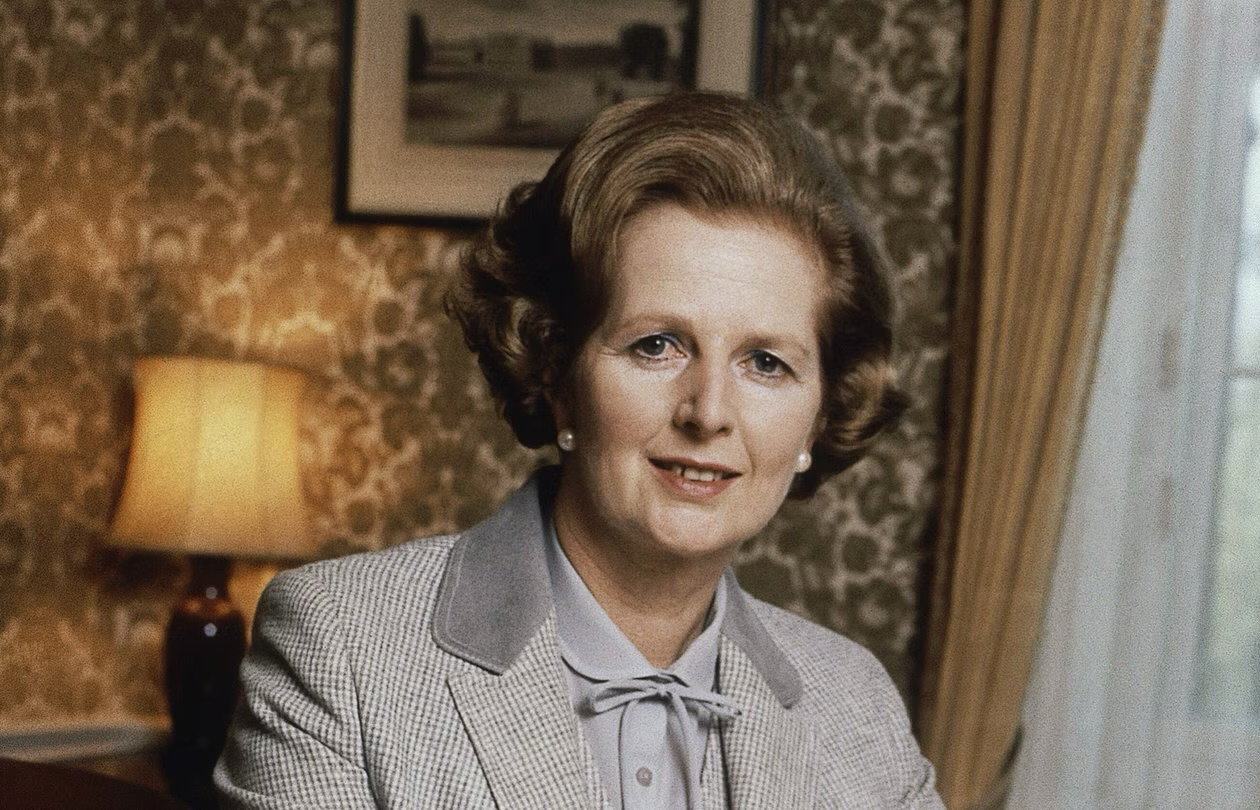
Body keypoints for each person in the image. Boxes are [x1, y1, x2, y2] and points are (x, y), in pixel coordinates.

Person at [215, 91, 943, 809]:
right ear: (555, 369)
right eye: (657, 345)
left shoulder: (858, 711)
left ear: (818, 418)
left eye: (766, 363)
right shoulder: (342, 647)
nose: (709, 413)